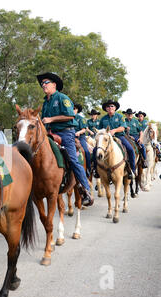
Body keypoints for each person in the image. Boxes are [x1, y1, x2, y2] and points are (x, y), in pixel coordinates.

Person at [36, 72, 93, 206]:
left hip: (65, 133)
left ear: (54, 85)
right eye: (42, 83)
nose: (43, 85)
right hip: (50, 134)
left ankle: (86, 190)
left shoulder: (62, 98)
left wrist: (51, 119)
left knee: (72, 159)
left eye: (46, 83)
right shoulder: (45, 102)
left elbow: (70, 116)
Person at [92, 100, 136, 179]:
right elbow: (99, 130)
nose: (110, 108)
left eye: (112, 106)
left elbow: (123, 127)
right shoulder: (103, 119)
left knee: (130, 149)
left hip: (119, 136)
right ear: (106, 109)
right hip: (106, 139)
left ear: (115, 108)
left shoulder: (119, 117)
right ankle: (96, 170)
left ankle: (132, 170)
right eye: (108, 106)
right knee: (95, 150)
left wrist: (114, 130)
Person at [74, 104, 91, 177]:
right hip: (70, 137)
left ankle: (88, 169)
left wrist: (79, 132)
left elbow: (84, 129)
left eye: (74, 108)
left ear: (77, 110)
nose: (72, 110)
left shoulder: (81, 118)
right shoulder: (66, 118)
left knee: (86, 151)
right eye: (71, 108)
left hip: (80, 137)